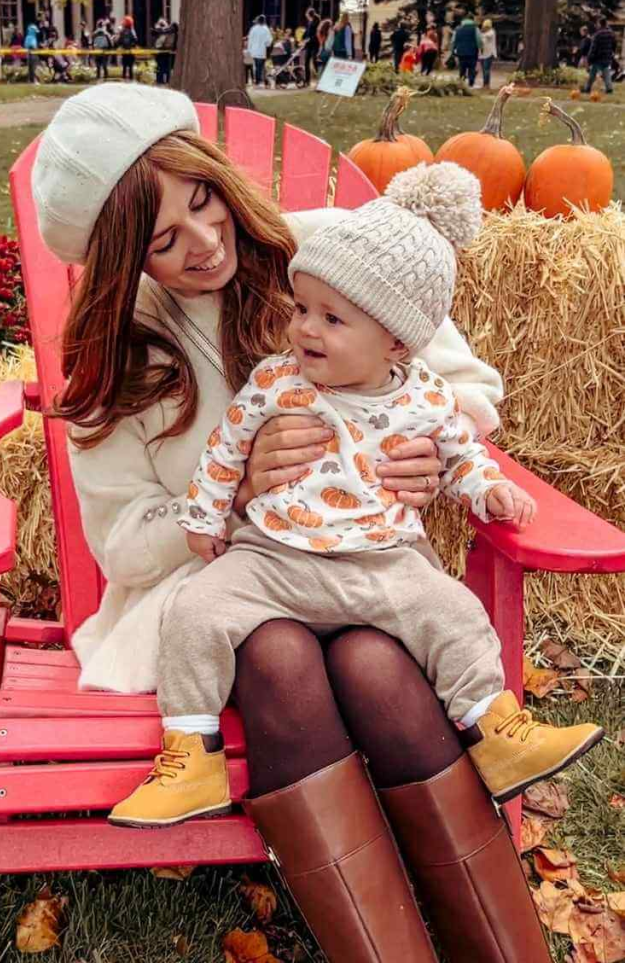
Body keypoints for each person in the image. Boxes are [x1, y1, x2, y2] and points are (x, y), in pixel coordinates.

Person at [31, 82, 555, 963]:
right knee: (277, 653)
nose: (204, 245)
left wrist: (427, 457)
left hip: (363, 563)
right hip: (216, 585)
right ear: (123, 262)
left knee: (375, 661)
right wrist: (227, 492)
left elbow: (465, 394)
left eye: (205, 205)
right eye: (164, 241)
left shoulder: (330, 252)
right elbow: (120, 544)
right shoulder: (122, 353)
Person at [108, 159, 604, 830]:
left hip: (380, 564)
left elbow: (463, 447)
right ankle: (191, 754)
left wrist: (485, 490)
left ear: (396, 340)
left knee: (454, 613)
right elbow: (225, 450)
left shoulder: (425, 391)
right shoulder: (277, 381)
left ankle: (498, 730)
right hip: (274, 559)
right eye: (302, 309)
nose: (307, 330)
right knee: (195, 613)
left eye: (332, 320)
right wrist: (206, 512)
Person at [582, 16, 616, 94]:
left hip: (598, 57)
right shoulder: (611, 34)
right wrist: (612, 52)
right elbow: (614, 44)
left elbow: (593, 47)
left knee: (593, 73)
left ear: (599, 24)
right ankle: (609, 88)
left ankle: (587, 88)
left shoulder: (597, 34)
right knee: (605, 72)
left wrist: (589, 58)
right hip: (607, 56)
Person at [452, 13, 483, 86]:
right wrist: (480, 49)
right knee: (471, 68)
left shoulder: (457, 29)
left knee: (462, 68)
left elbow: (453, 41)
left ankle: (461, 83)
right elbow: (479, 40)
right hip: (472, 52)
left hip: (461, 52)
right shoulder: (475, 29)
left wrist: (453, 49)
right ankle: (471, 83)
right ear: (472, 20)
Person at [247, 14, 273, 87]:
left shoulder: (253, 29)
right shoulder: (266, 29)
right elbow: (269, 41)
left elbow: (250, 39)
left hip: (253, 50)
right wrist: (267, 45)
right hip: (261, 50)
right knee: (260, 66)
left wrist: (249, 49)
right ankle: (261, 81)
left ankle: (258, 81)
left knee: (255, 66)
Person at [154, 17, 177, 85]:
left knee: (161, 68)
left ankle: (161, 81)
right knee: (166, 68)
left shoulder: (165, 33)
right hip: (167, 53)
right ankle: (166, 81)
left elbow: (159, 44)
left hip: (163, 52)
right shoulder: (169, 32)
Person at [302, 7, 321, 85]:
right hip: (308, 45)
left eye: (307, 15)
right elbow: (306, 32)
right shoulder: (309, 22)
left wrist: (309, 39)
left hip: (315, 44)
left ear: (310, 15)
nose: (307, 17)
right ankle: (307, 80)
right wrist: (303, 38)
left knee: (314, 61)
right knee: (306, 62)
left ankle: (319, 78)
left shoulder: (317, 23)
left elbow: (317, 35)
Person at [116, 16, 138, 81]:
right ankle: (131, 80)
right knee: (131, 67)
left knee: (124, 67)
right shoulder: (132, 31)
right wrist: (133, 45)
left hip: (124, 51)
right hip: (131, 51)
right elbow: (136, 40)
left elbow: (119, 41)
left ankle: (123, 80)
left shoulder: (122, 31)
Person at [479, 18, 497, 89]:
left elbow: (486, 36)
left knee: (486, 69)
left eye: (486, 26)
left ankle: (487, 84)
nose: (485, 28)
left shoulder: (492, 32)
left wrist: (480, 33)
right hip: (482, 54)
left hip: (489, 53)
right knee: (483, 70)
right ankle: (484, 84)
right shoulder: (483, 33)